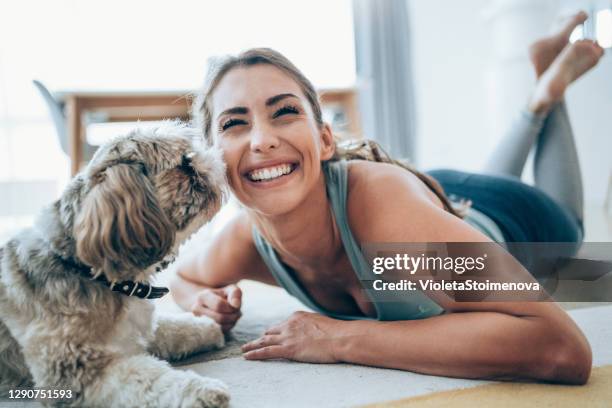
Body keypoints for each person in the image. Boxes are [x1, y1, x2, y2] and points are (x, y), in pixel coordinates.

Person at [171, 12, 603, 384]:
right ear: (212, 159)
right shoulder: (244, 240)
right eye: (234, 123)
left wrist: (341, 339)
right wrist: (202, 303)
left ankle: (549, 94)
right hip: (439, 197)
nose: (262, 140)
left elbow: (562, 347)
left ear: (324, 141)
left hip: (511, 218)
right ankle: (537, 95)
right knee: (468, 201)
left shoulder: (384, 213)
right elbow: (184, 279)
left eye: (284, 112)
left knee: (570, 226)